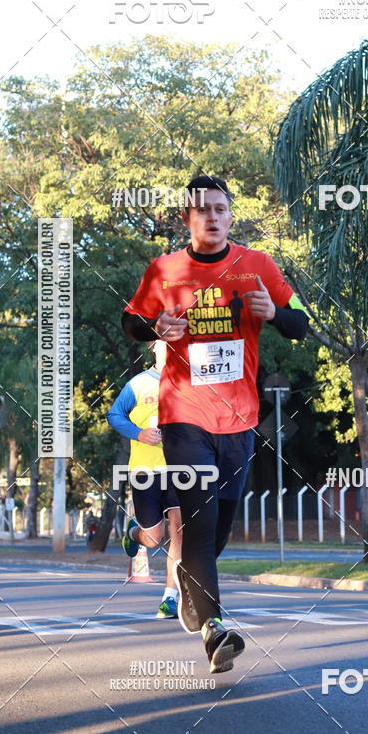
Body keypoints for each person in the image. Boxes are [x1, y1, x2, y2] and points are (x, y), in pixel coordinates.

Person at [120, 174, 309, 673]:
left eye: (221, 209)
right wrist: (155, 325)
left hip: (239, 420)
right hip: (183, 416)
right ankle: (214, 631)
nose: (212, 217)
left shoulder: (257, 266)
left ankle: (191, 586)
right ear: (187, 217)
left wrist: (276, 313)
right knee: (200, 523)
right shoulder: (165, 270)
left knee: (220, 528)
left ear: (230, 216)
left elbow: (300, 323)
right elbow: (131, 321)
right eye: (202, 209)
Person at [106, 339, 183, 619]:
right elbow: (114, 415)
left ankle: (170, 598)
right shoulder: (138, 384)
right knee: (153, 539)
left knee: (179, 530)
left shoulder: (188, 382)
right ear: (153, 347)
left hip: (180, 469)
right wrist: (139, 433)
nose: (170, 347)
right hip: (144, 471)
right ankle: (134, 533)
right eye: (164, 342)